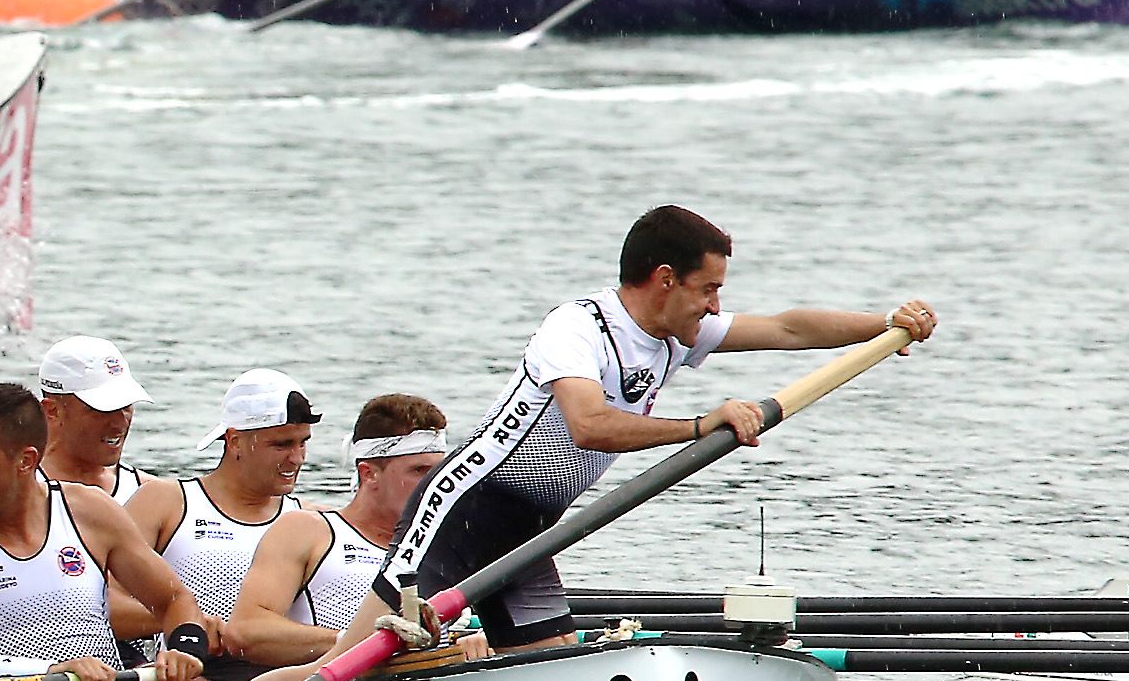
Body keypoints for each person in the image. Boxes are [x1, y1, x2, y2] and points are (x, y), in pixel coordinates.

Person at [391, 205, 941, 649]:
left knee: (549, 664)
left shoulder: (676, 334)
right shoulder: (578, 326)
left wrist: (886, 325)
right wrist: (702, 426)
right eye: (708, 289)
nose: (714, 305)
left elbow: (788, 328)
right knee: (360, 660)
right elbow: (589, 426)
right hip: (458, 513)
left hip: (526, 531)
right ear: (665, 280)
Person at [0, 384, 205, 681]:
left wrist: (184, 649)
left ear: (26, 460)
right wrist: (49, 670)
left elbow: (175, 600)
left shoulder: (89, 510)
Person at [230, 393, 464, 671]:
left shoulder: (450, 546)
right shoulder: (309, 531)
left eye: (439, 472)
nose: (433, 483)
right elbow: (246, 632)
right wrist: (354, 642)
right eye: (419, 471)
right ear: (369, 474)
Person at [125, 368, 320, 679]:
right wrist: (189, 624)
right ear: (235, 442)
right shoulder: (165, 502)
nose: (297, 458)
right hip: (188, 676)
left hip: (278, 679)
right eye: (281, 445)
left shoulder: (312, 521)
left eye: (302, 443)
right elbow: (100, 604)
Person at [35, 336, 149, 497]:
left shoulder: (150, 494)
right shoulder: (10, 495)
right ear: (52, 411)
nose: (120, 423)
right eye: (104, 409)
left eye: (126, 406)